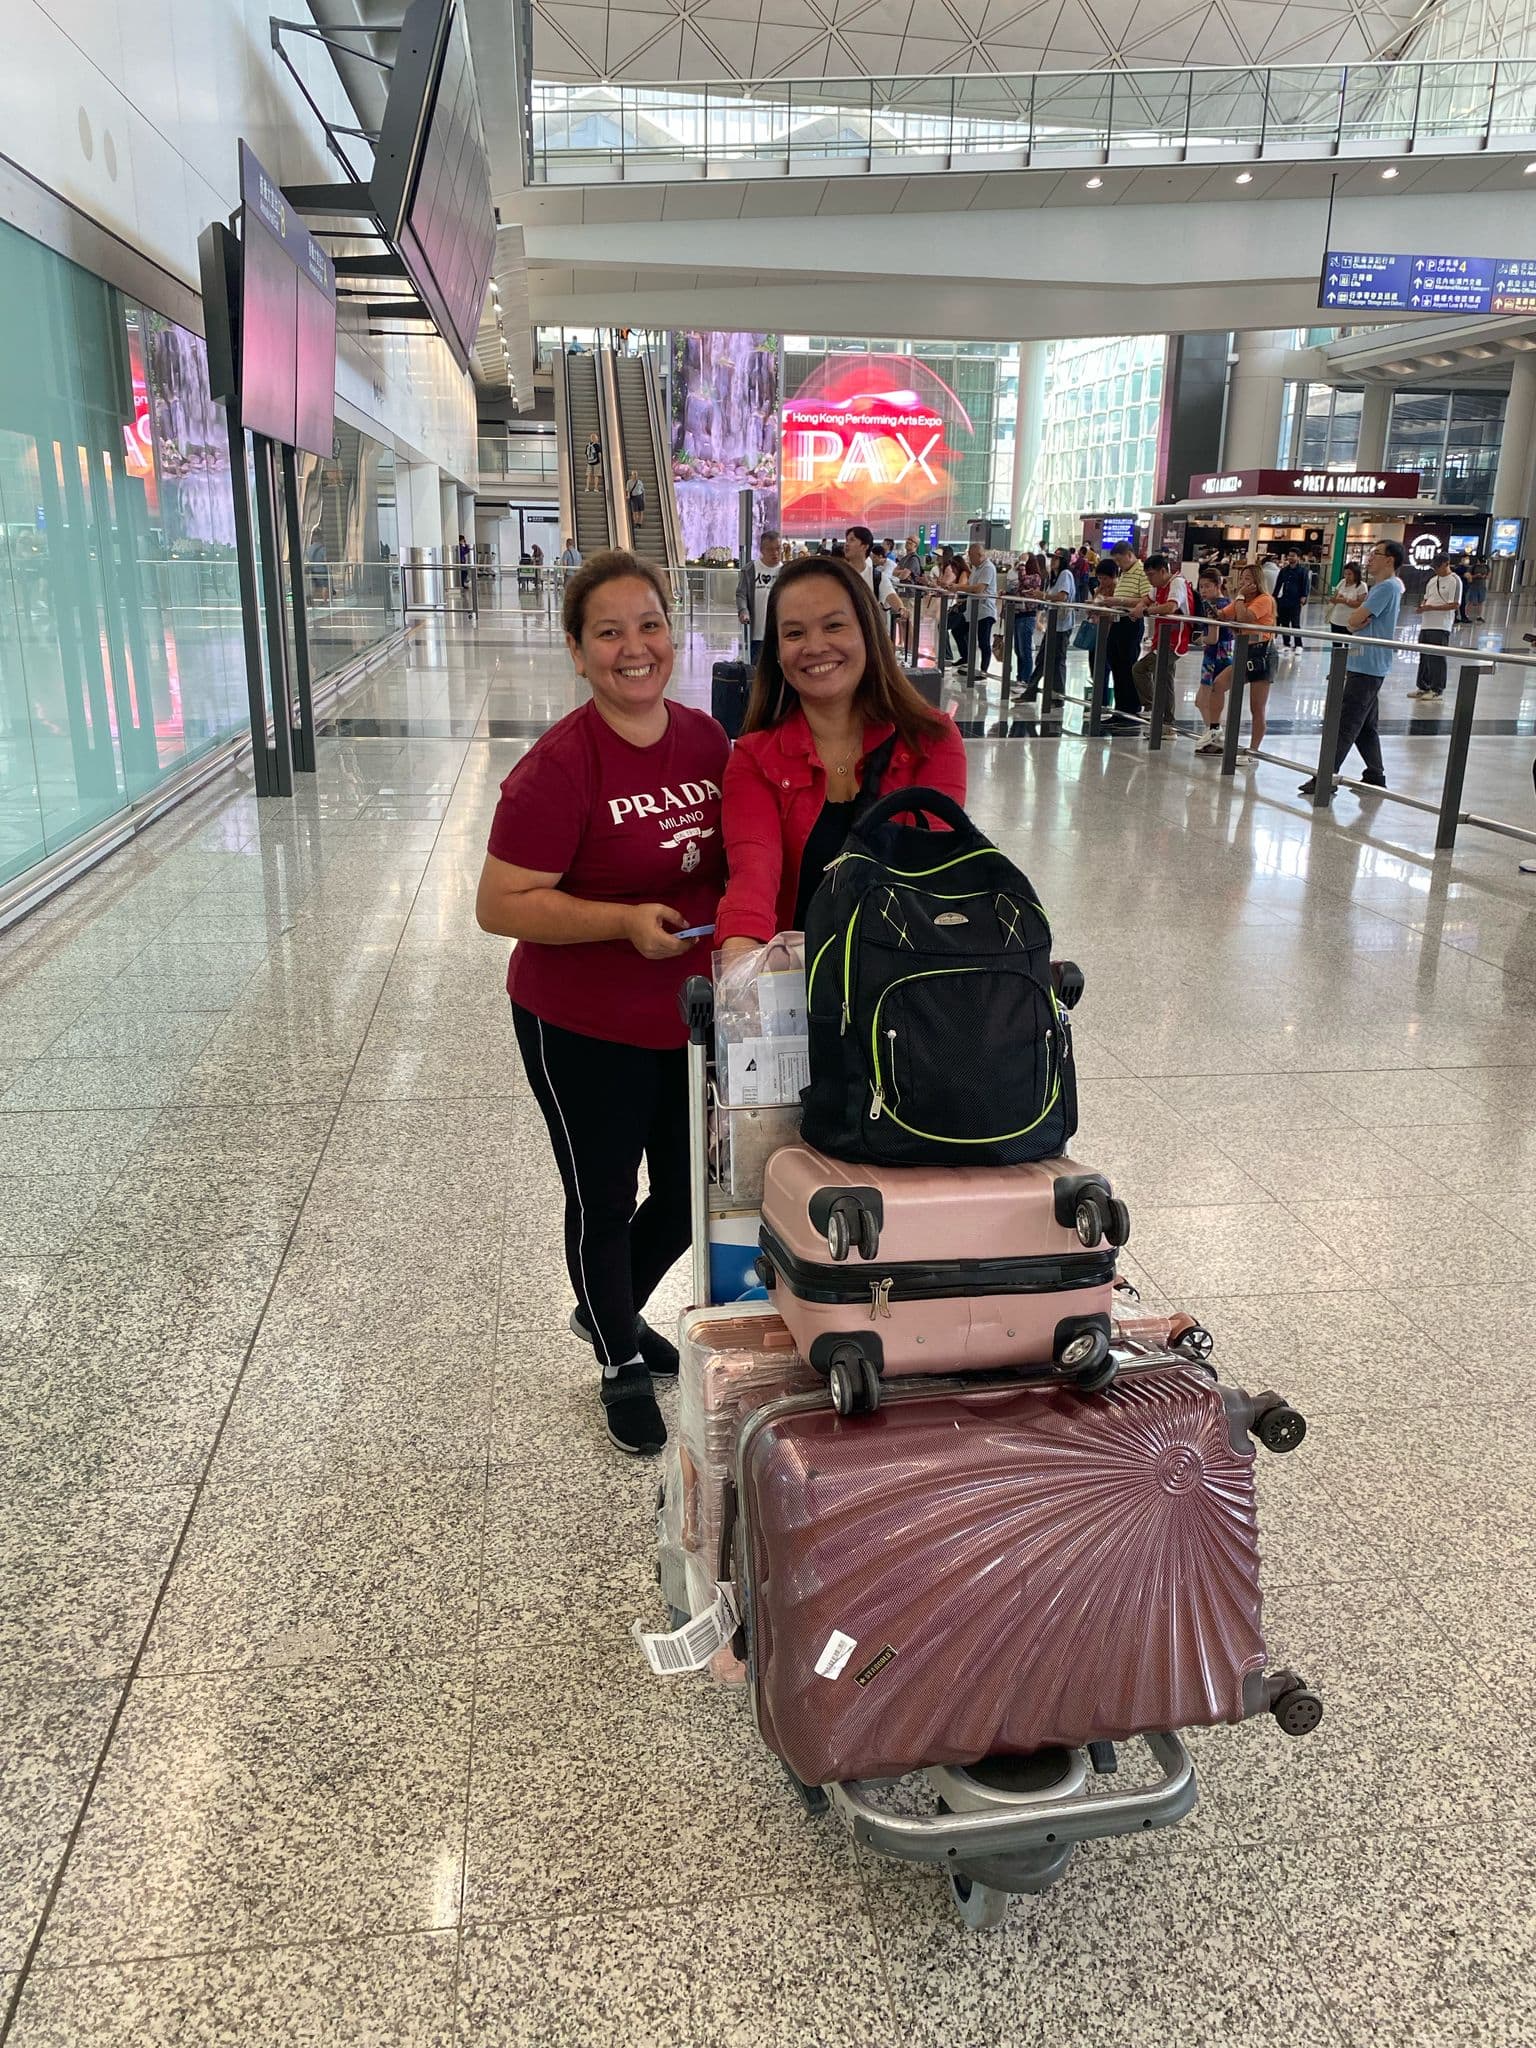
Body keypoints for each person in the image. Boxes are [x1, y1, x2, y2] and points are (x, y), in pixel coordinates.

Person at [475, 551, 729, 1458]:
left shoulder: (704, 740)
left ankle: (601, 1304)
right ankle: (621, 1355)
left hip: (687, 1017)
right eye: (609, 632)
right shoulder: (555, 771)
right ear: (578, 653)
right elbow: (498, 905)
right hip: (578, 1024)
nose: (635, 648)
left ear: (675, 633)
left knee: (691, 1192)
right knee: (604, 1196)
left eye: (650, 625)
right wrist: (622, 922)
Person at [715, 555, 966, 949]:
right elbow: (753, 877)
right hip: (797, 984)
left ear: (867, 630)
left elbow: (939, 873)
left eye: (834, 626)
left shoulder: (931, 739)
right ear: (777, 652)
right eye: (794, 634)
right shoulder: (754, 758)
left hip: (908, 977)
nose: (815, 647)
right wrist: (740, 966)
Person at [1299, 539, 1404, 797]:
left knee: (1345, 723)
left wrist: (1359, 620)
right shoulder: (1385, 587)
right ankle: (1375, 774)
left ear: (1390, 560)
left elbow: (1354, 620)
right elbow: (1355, 621)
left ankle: (1325, 776)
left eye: (1376, 554)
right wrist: (1358, 621)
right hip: (1367, 663)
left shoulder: (1385, 588)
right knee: (1365, 725)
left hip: (1368, 665)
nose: (1370, 558)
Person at [1199, 564, 1275, 756]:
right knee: (1218, 684)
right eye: (1242, 578)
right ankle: (1214, 728)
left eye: (1248, 579)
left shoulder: (1264, 600)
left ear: (1257, 581)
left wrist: (1240, 596)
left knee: (1256, 707)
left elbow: (1244, 618)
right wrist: (1214, 612)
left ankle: (1253, 750)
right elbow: (1223, 615)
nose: (1243, 583)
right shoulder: (1242, 601)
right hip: (1243, 652)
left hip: (1262, 654)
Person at [1130, 554, 1193, 714]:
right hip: (1162, 639)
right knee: (1150, 672)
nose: (1149, 579)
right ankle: (1157, 710)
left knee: (1158, 673)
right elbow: (1147, 599)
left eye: (1151, 575)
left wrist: (1145, 611)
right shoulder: (1159, 586)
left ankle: (1164, 718)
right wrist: (1140, 606)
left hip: (1176, 640)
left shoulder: (1177, 583)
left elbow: (1170, 607)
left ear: (1163, 571)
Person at [1106, 539, 1151, 725]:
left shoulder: (1141, 572)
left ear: (1130, 555)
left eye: (1119, 560)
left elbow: (1145, 600)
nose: (1118, 565)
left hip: (1131, 623)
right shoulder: (1124, 572)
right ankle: (1120, 710)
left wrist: (1119, 601)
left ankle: (1130, 710)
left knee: (1127, 666)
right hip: (1118, 622)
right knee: (1115, 664)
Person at [1191, 564, 1233, 751]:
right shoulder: (1227, 603)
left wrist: (1200, 640)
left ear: (1218, 585)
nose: (1204, 590)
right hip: (1224, 653)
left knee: (1204, 699)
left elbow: (1213, 637)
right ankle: (1212, 735)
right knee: (1204, 699)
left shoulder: (1215, 607)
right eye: (1201, 587)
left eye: (1208, 586)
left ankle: (1214, 736)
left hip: (1214, 656)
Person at [1411, 553, 1461, 701]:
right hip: (1426, 624)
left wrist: (1432, 607)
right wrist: (1423, 606)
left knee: (1436, 658)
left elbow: (1455, 604)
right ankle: (1423, 686)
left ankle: (1437, 689)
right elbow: (1426, 598)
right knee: (1424, 656)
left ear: (1446, 564)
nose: (1436, 570)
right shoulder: (1433, 580)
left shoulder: (1454, 580)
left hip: (1441, 625)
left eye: (1438, 567)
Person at [735, 527, 783, 664]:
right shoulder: (750, 569)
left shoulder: (785, 572)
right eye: (770, 549)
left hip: (778, 633)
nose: (775, 553)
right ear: (762, 550)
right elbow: (741, 594)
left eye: (778, 548)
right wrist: (743, 611)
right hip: (757, 634)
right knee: (757, 669)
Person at [962, 540, 998, 680]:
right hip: (974, 610)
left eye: (971, 556)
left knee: (983, 641)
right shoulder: (976, 568)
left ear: (979, 555)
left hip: (985, 611)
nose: (970, 559)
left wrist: (958, 587)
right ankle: (971, 665)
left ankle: (984, 670)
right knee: (968, 636)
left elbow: (979, 588)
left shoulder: (988, 568)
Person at [1008, 553, 1043, 695]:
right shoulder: (1022, 576)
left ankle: (1026, 680)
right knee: (1018, 649)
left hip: (1028, 616)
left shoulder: (1035, 577)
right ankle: (1020, 677)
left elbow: (1024, 581)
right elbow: (1018, 589)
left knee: (1025, 650)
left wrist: (1022, 564)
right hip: (1018, 614)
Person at [1273, 550, 1309, 658]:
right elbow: (1278, 584)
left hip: (1295, 601)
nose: (1290, 558)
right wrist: (1274, 597)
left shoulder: (1302, 571)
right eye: (1289, 556)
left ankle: (1298, 644)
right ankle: (1286, 643)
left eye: (1293, 556)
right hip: (1283, 600)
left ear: (1298, 558)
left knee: (1295, 623)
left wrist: (1304, 596)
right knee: (1284, 623)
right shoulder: (1284, 571)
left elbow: (1305, 584)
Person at [1329, 561, 1364, 636]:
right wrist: (1336, 598)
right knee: (1336, 644)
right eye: (1345, 574)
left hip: (1350, 622)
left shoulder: (1362, 586)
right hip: (1336, 619)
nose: (1347, 576)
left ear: (1356, 574)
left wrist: (1344, 600)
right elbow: (1334, 597)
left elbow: (1360, 604)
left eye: (1349, 574)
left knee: (1348, 644)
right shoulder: (1342, 582)